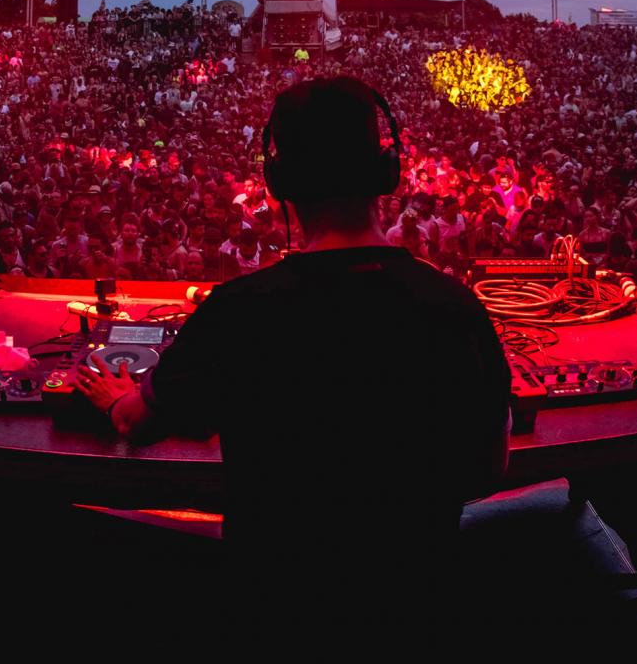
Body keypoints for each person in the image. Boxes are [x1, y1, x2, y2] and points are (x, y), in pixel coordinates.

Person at [72, 77, 511, 626]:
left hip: (274, 607)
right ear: (386, 172)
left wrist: (117, 398)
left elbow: (137, 424)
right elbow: (488, 468)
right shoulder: (455, 308)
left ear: (278, 182)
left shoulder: (237, 311)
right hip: (418, 606)